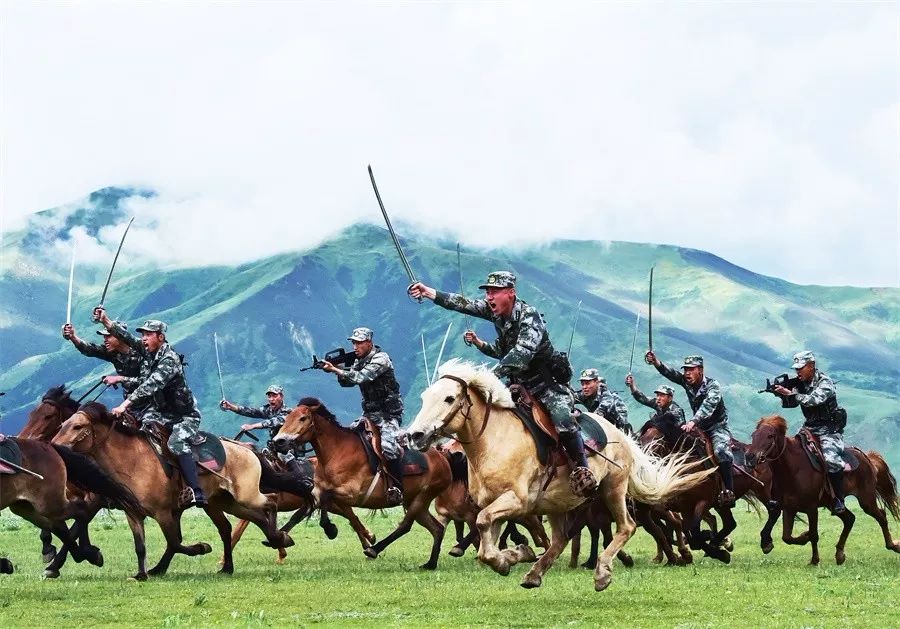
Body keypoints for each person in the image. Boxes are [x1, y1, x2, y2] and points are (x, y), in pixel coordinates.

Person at [409, 271, 597, 497]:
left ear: (511, 293)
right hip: (519, 384)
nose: (489, 297)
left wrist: (487, 378)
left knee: (562, 419)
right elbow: (464, 304)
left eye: (495, 292)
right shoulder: (494, 311)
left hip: (546, 385)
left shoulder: (530, 317)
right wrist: (429, 292)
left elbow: (521, 354)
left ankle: (582, 469)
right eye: (488, 292)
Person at [108, 319, 207, 508]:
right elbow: (127, 338)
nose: (143, 339)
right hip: (162, 413)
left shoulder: (169, 359)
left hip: (185, 416)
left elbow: (150, 385)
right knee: (137, 428)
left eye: (148, 335)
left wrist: (124, 404)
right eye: (142, 335)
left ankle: (196, 491)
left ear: (160, 337)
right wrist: (105, 320)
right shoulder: (149, 353)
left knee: (176, 444)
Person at [320, 327, 405, 506]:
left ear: (369, 342)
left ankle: (398, 487)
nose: (355, 346)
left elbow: (361, 377)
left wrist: (337, 370)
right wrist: (338, 369)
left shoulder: (381, 359)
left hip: (389, 414)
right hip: (370, 415)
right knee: (347, 439)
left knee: (389, 447)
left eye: (359, 342)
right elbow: (346, 383)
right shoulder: (360, 360)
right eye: (353, 342)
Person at [645, 351, 735, 507]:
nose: (687, 373)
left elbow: (707, 407)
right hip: (698, 428)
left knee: (721, 451)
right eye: (685, 369)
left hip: (716, 427)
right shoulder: (686, 382)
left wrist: (693, 422)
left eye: (691, 369)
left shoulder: (713, 386)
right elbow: (670, 373)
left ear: (700, 370)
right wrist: (655, 362)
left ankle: (729, 491)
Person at [773, 350, 849, 513]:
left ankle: (838, 499)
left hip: (829, 429)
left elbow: (813, 400)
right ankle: (781, 494)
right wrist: (780, 394)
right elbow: (792, 404)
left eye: (801, 368)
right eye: (796, 369)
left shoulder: (825, 382)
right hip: (809, 427)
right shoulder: (800, 383)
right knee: (789, 453)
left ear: (812, 366)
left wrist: (792, 394)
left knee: (831, 460)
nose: (798, 372)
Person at [220, 385, 310, 485]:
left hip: (289, 449)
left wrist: (252, 426)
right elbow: (252, 411)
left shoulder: (288, 412)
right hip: (273, 447)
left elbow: (273, 422)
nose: (271, 399)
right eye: (269, 396)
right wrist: (231, 407)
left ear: (281, 396)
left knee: (284, 456)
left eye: (274, 396)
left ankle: (303, 481)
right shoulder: (269, 410)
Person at [62, 313, 142, 397]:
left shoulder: (141, 352)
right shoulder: (113, 353)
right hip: (130, 404)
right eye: (104, 337)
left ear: (120, 336)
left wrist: (119, 379)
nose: (105, 340)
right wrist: (73, 337)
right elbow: (90, 350)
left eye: (108, 336)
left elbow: (150, 380)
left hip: (151, 402)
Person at [625, 374, 685, 446]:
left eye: (662, 395)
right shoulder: (658, 404)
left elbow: (675, 430)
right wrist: (632, 385)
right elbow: (642, 398)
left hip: (675, 441)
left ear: (670, 398)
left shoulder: (677, 411)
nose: (658, 398)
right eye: (657, 395)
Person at [575, 369, 632, 434]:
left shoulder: (606, 396)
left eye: (587, 383)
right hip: (602, 427)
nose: (584, 387)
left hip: (620, 427)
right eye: (582, 384)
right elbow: (571, 397)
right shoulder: (585, 393)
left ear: (596, 382)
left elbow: (601, 410)